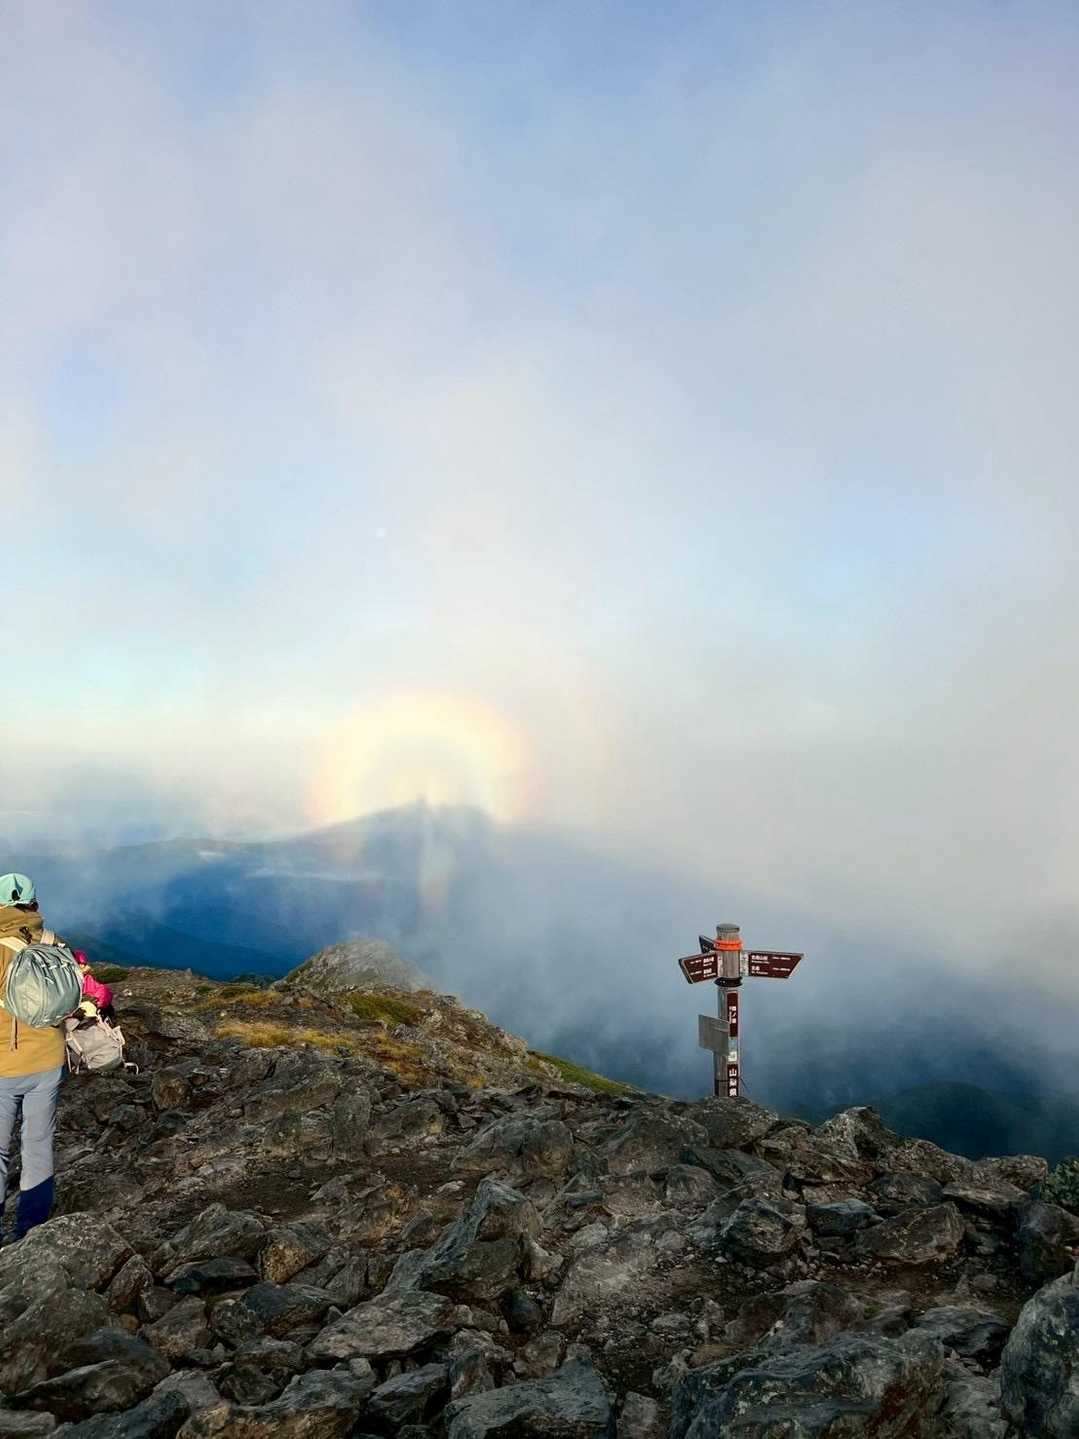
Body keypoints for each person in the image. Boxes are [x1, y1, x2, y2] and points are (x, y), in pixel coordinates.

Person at [0, 873, 68, 1244]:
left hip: (4, 1065)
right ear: (34, 905)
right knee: (38, 1143)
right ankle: (31, 1230)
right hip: (48, 1061)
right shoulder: (53, 943)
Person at [73, 950, 116, 1024]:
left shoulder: (85, 978)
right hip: (101, 1002)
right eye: (80, 964)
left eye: (83, 964)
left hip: (97, 1003)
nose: (82, 966)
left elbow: (101, 992)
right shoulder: (85, 977)